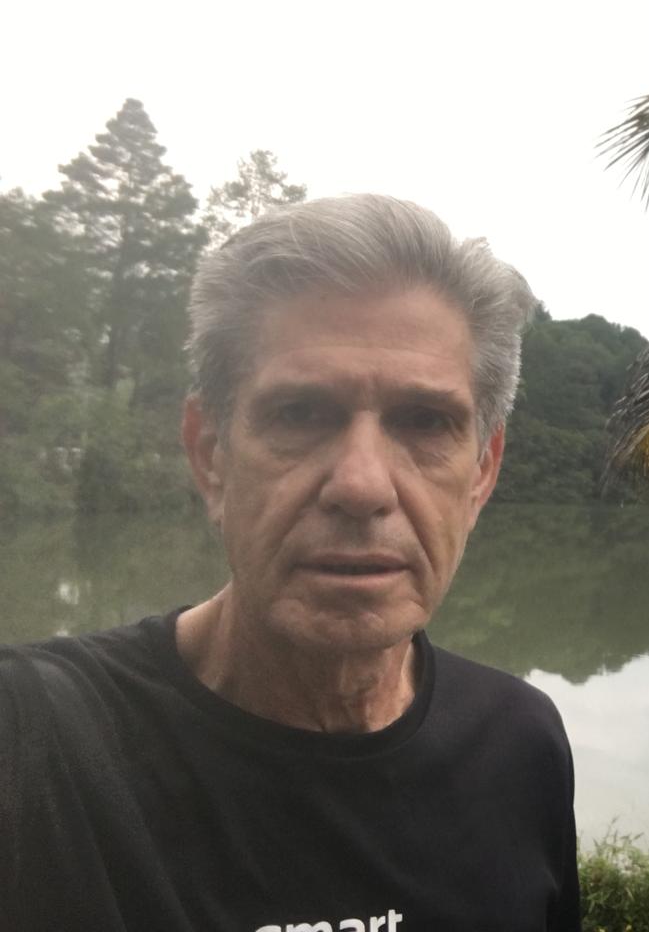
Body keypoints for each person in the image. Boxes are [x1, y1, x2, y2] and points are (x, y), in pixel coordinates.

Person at [0, 195, 581, 931]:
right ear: (211, 453)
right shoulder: (36, 746)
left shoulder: (520, 746)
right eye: (300, 413)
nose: (362, 487)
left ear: (482, 473)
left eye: (425, 421)